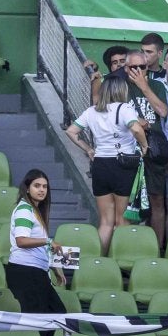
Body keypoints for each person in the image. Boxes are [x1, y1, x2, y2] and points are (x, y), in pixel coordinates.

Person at [67, 74, 147, 255]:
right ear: (122, 91)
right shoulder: (125, 108)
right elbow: (136, 128)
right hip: (123, 165)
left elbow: (71, 131)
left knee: (105, 221)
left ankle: (99, 260)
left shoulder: (92, 111)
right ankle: (119, 263)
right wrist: (144, 145)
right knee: (122, 220)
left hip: (101, 164)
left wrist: (88, 149)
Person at [5, 170, 67, 335]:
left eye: (45, 186)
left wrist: (55, 268)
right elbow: (22, 240)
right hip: (25, 272)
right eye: (37, 185)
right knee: (43, 321)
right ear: (27, 188)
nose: (42, 190)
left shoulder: (35, 211)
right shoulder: (25, 210)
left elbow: (40, 247)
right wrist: (48, 241)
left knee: (56, 315)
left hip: (35, 272)